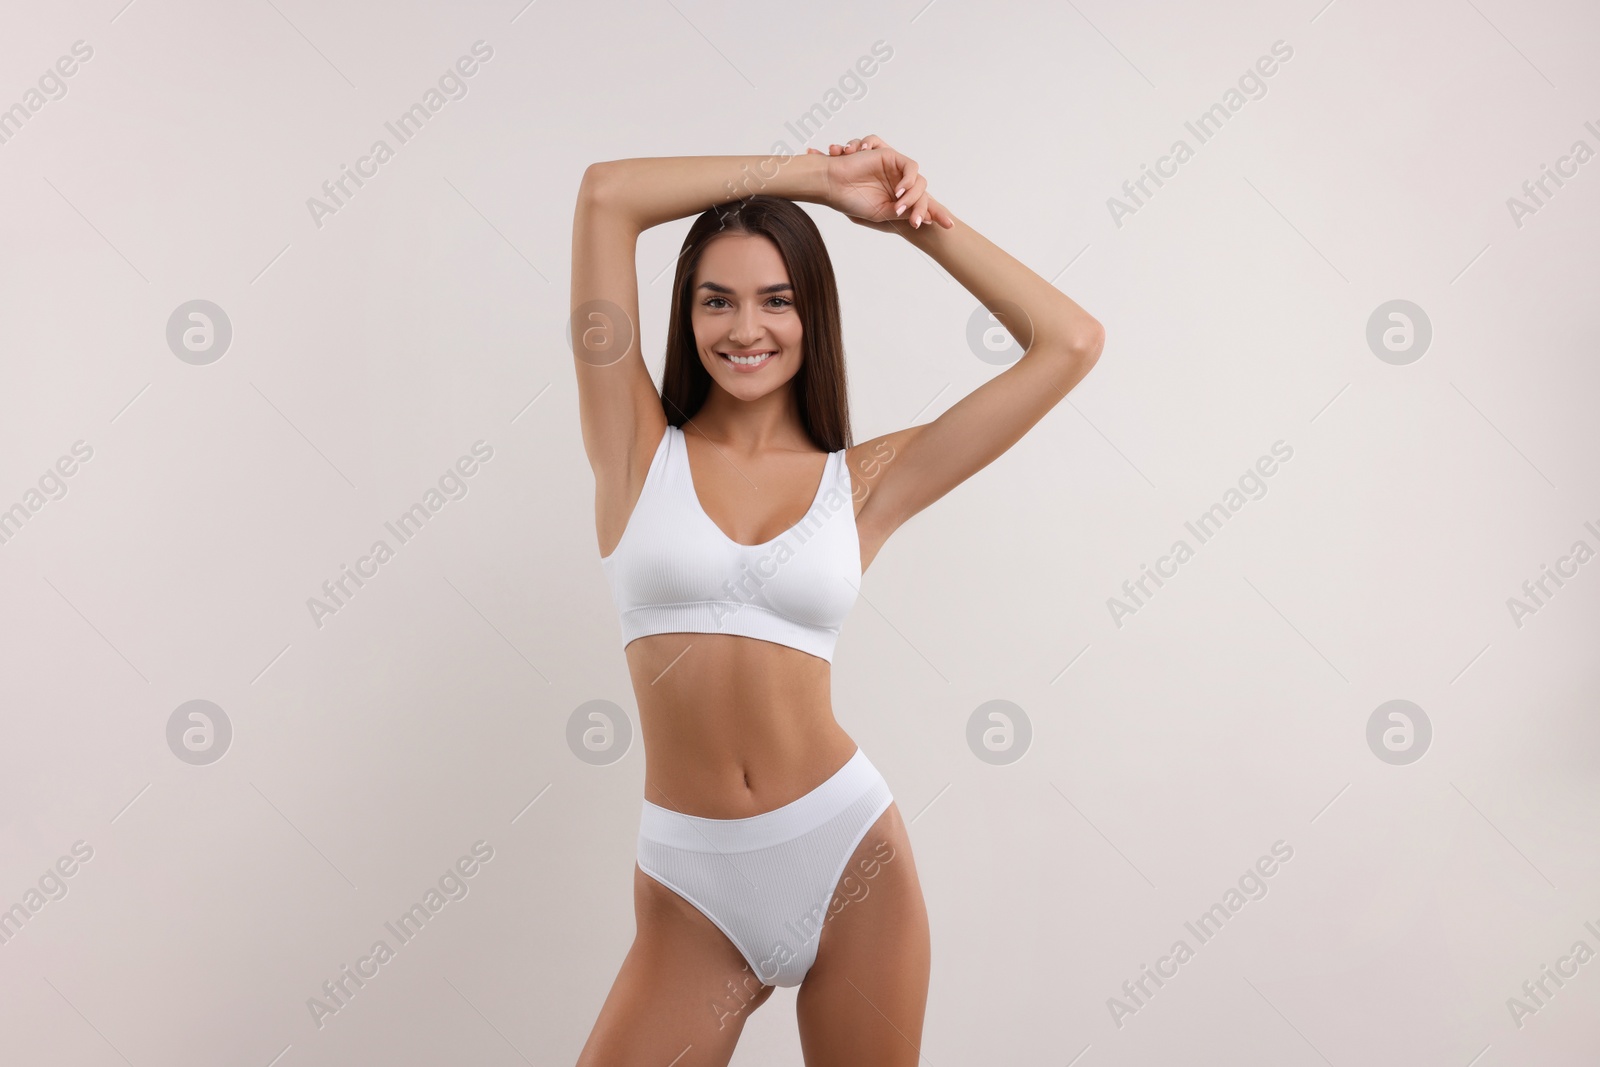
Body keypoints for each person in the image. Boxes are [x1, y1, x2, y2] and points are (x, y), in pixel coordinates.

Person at [571, 135, 1103, 1066]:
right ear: (685, 314)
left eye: (778, 299)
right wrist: (817, 178)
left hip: (848, 853)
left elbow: (1068, 340)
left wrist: (906, 221)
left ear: (814, 313)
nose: (747, 328)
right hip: (693, 889)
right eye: (717, 299)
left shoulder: (861, 484)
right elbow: (607, 195)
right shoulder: (633, 449)